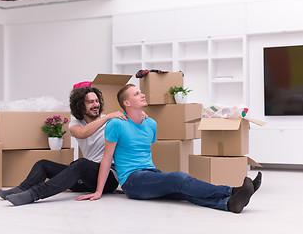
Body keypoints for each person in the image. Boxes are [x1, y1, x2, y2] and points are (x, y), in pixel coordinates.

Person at [76, 84, 262, 213]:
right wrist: (99, 191)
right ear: (127, 103)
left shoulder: (151, 124)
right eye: (136, 94)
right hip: (131, 181)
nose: (142, 95)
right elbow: (107, 158)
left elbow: (145, 153)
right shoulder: (116, 124)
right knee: (179, 178)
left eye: (141, 92)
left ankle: (229, 204)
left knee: (183, 191)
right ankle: (232, 190)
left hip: (149, 173)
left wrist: (155, 175)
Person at [0, 86, 129, 206]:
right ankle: (21, 189)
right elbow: (83, 133)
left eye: (97, 101)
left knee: (81, 163)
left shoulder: (110, 121)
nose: (96, 105)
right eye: (90, 102)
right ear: (80, 106)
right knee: (43, 164)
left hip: (108, 179)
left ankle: (33, 194)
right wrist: (105, 118)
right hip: (86, 179)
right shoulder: (76, 124)